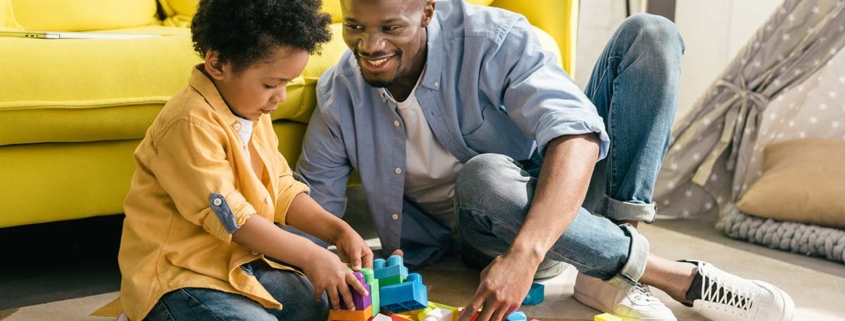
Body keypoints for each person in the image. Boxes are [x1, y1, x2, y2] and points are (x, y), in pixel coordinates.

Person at [296, 0, 795, 320]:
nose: (370, 45)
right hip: (483, 231)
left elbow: (575, 133)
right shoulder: (340, 94)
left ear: (428, 11)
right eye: (355, 26)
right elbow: (309, 206)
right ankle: (674, 277)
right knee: (485, 178)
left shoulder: (494, 39)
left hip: (543, 217)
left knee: (652, 33)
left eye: (390, 27)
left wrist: (525, 255)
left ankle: (611, 273)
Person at [116, 0, 375, 320]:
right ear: (218, 64)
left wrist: (336, 232)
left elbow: (280, 187)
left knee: (321, 302)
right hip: (179, 279)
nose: (280, 97)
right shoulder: (189, 123)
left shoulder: (251, 109)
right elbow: (233, 219)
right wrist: (310, 256)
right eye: (271, 84)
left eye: (287, 84)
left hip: (238, 266)